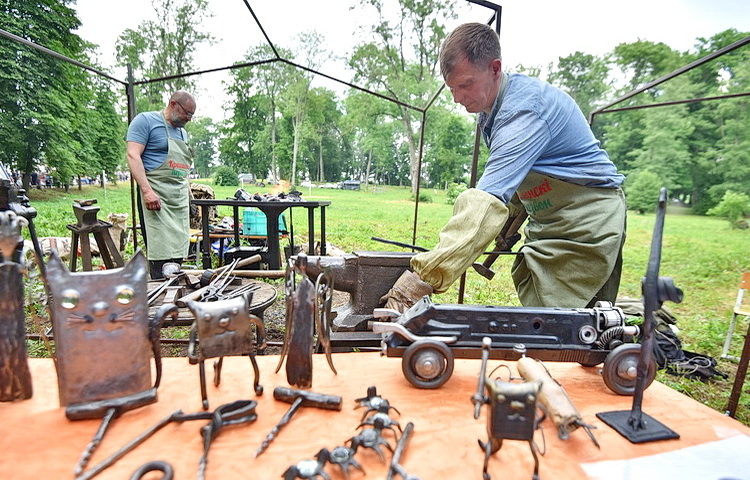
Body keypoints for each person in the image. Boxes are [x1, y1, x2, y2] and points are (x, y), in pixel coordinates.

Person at [382, 23, 626, 311]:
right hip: (549, 221)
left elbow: (484, 203)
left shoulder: (523, 111)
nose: (457, 98)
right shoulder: (492, 112)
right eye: (451, 88)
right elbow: (530, 175)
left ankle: (644, 326)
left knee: (576, 325)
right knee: (552, 318)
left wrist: (419, 283)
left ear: (495, 69)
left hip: (585, 223)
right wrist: (510, 217)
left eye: (465, 85)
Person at [127, 91, 196, 279]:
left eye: (191, 115)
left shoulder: (183, 133)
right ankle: (161, 295)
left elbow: (183, 168)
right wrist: (147, 191)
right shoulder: (145, 121)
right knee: (161, 250)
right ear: (173, 104)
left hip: (178, 197)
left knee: (179, 249)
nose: (188, 119)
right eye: (187, 113)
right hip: (156, 194)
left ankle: (176, 294)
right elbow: (133, 155)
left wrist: (189, 196)